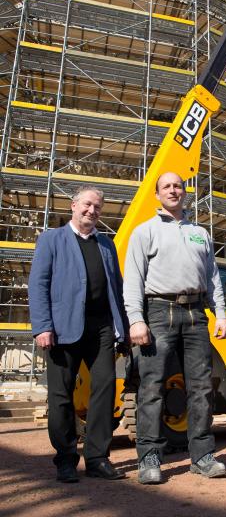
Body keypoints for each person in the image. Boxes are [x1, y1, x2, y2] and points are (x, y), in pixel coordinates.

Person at [123, 171, 226, 484]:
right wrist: (136, 319)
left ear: (185, 193)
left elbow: (212, 277)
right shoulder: (145, 232)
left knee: (200, 388)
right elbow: (133, 280)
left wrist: (219, 312)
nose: (173, 190)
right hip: (159, 311)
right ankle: (149, 459)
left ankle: (202, 457)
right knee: (152, 387)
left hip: (197, 313)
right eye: (166, 186)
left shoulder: (201, 233)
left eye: (178, 186)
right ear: (157, 194)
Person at [29, 186, 128, 483]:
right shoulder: (51, 239)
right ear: (74, 205)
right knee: (61, 396)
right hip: (62, 328)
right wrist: (42, 326)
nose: (92, 210)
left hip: (100, 328)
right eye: (87, 204)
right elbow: (38, 284)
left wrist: (122, 326)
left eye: (97, 207)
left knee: (105, 388)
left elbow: (117, 289)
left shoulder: (106, 245)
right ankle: (66, 460)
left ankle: (97, 458)